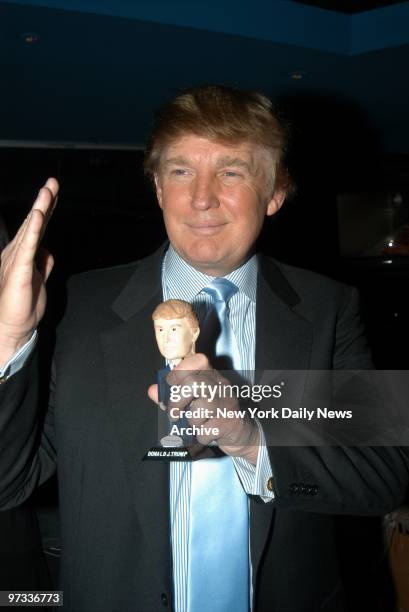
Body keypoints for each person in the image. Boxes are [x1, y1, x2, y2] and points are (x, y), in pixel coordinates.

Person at [0, 85, 408, 611]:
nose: (201, 197)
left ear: (275, 193)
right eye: (181, 171)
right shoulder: (75, 307)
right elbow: (9, 484)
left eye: (232, 172)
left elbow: (383, 477)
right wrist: (9, 338)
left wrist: (252, 438)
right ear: (156, 187)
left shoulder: (329, 309)